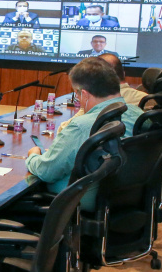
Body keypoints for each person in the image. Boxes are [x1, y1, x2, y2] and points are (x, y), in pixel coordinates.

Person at [25, 57, 143, 201]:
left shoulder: (82, 126)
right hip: (126, 195)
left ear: (85, 94)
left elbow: (47, 171)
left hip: (79, 200)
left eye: (77, 95)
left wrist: (33, 156)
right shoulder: (139, 114)